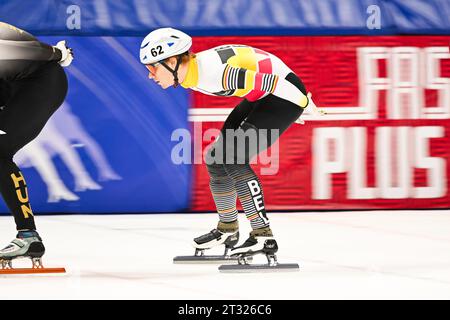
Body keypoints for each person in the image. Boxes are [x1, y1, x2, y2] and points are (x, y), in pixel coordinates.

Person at [139, 27, 319, 259]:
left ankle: (263, 235)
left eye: (152, 67)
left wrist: (302, 102)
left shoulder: (215, 73)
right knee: (216, 157)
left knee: (233, 157)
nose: (150, 75)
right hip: (262, 96)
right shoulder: (190, 73)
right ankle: (228, 229)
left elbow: (272, 83)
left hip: (282, 95)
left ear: (172, 61)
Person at [0, 22, 73, 268]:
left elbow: (22, 51)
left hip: (40, 82)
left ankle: (28, 236)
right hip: (13, 82)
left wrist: (57, 53)